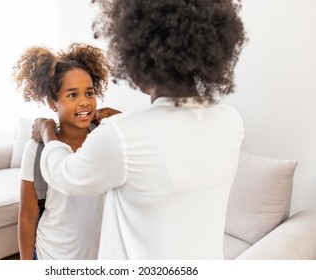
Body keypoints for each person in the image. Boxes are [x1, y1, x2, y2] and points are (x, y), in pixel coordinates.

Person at [32, 0, 246, 259]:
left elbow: (65, 175)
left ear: (139, 60)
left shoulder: (121, 136)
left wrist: (47, 132)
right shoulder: (231, 122)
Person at [12, 43, 117, 260]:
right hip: (51, 256)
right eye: (72, 95)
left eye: (89, 93)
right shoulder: (36, 150)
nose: (84, 102)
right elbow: (28, 216)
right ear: (53, 103)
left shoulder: (104, 138)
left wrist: (117, 116)